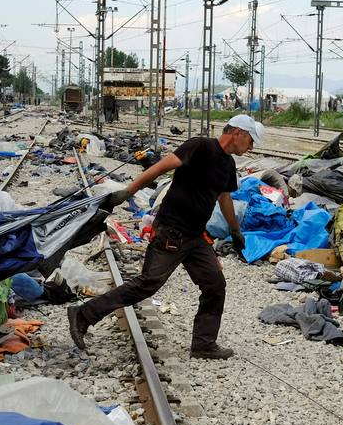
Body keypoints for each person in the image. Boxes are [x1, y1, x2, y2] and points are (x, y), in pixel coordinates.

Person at [67, 115, 264, 360]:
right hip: (172, 229)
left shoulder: (228, 165)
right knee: (148, 283)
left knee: (215, 284)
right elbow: (159, 168)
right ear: (237, 133)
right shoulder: (199, 147)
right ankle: (83, 314)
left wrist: (235, 231)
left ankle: (203, 344)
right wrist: (128, 191)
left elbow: (224, 198)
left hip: (196, 236)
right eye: (251, 140)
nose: (251, 147)